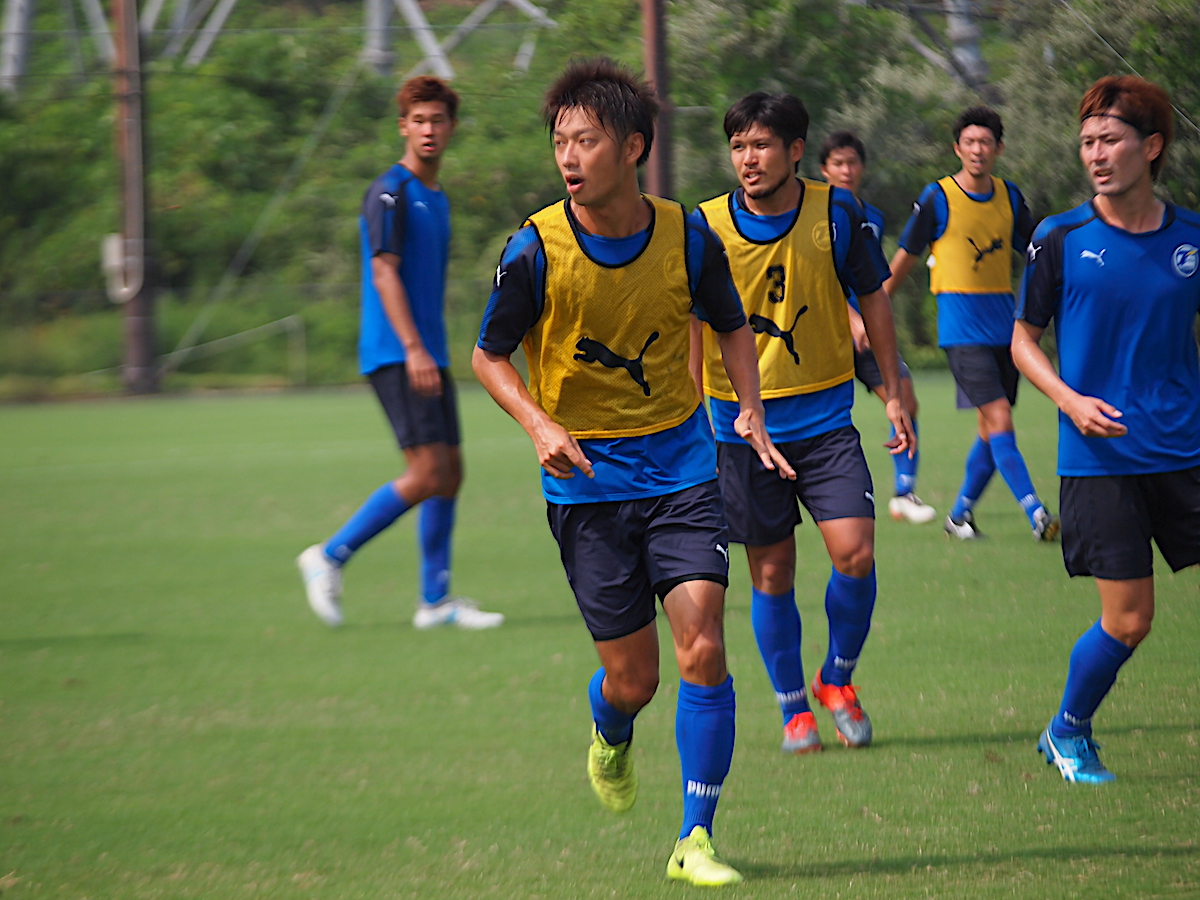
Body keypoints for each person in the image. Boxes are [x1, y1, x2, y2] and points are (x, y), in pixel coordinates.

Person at [473, 59, 793, 887]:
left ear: (634, 147)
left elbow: (729, 325)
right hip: (585, 488)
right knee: (635, 677)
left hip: (683, 470)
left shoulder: (687, 235)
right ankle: (609, 732)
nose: (569, 156)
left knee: (702, 646)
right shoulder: (534, 247)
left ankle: (696, 835)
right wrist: (538, 422)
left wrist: (747, 407)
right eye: (560, 142)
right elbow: (488, 354)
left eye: (586, 139)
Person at [694, 93, 913, 756]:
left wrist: (894, 390)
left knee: (856, 552)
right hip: (742, 431)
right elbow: (690, 325)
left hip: (824, 420)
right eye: (738, 146)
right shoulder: (703, 226)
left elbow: (872, 297)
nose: (748, 159)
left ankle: (836, 681)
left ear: (795, 150)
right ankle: (793, 710)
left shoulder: (837, 211)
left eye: (761, 145)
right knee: (772, 573)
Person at [1012, 76, 1200, 784]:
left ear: (1150, 147)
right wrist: (1069, 399)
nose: (1095, 153)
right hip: (1101, 459)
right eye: (1088, 140)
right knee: (1129, 621)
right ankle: (1068, 730)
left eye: (1110, 139)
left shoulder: (1192, 240)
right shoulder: (1059, 238)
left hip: (1187, 446)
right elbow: (1023, 340)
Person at [296, 76, 503, 631]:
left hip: (427, 352)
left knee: (450, 473)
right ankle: (329, 556)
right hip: (397, 351)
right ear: (403, 127)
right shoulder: (390, 191)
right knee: (429, 470)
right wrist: (412, 347)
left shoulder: (437, 197)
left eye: (438, 120)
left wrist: (429, 350)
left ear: (451, 127)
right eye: (419, 120)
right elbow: (383, 271)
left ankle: (434, 603)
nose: (429, 129)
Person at [884, 107, 1058, 542]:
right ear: (957, 148)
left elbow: (1038, 253)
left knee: (989, 428)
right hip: (961, 332)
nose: (978, 150)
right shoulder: (937, 196)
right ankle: (1036, 513)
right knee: (998, 418)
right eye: (970, 142)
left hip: (1005, 330)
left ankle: (959, 515)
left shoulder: (1011, 197)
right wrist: (879, 302)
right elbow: (907, 251)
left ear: (998, 148)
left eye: (986, 142)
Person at [819, 130, 934, 525]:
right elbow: (816, 280)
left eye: (852, 162)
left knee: (904, 396)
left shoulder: (874, 218)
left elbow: (871, 283)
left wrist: (869, 318)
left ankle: (904, 493)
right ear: (824, 169)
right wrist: (850, 318)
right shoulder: (813, 216)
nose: (846, 170)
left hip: (864, 338)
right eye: (838, 163)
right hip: (822, 334)